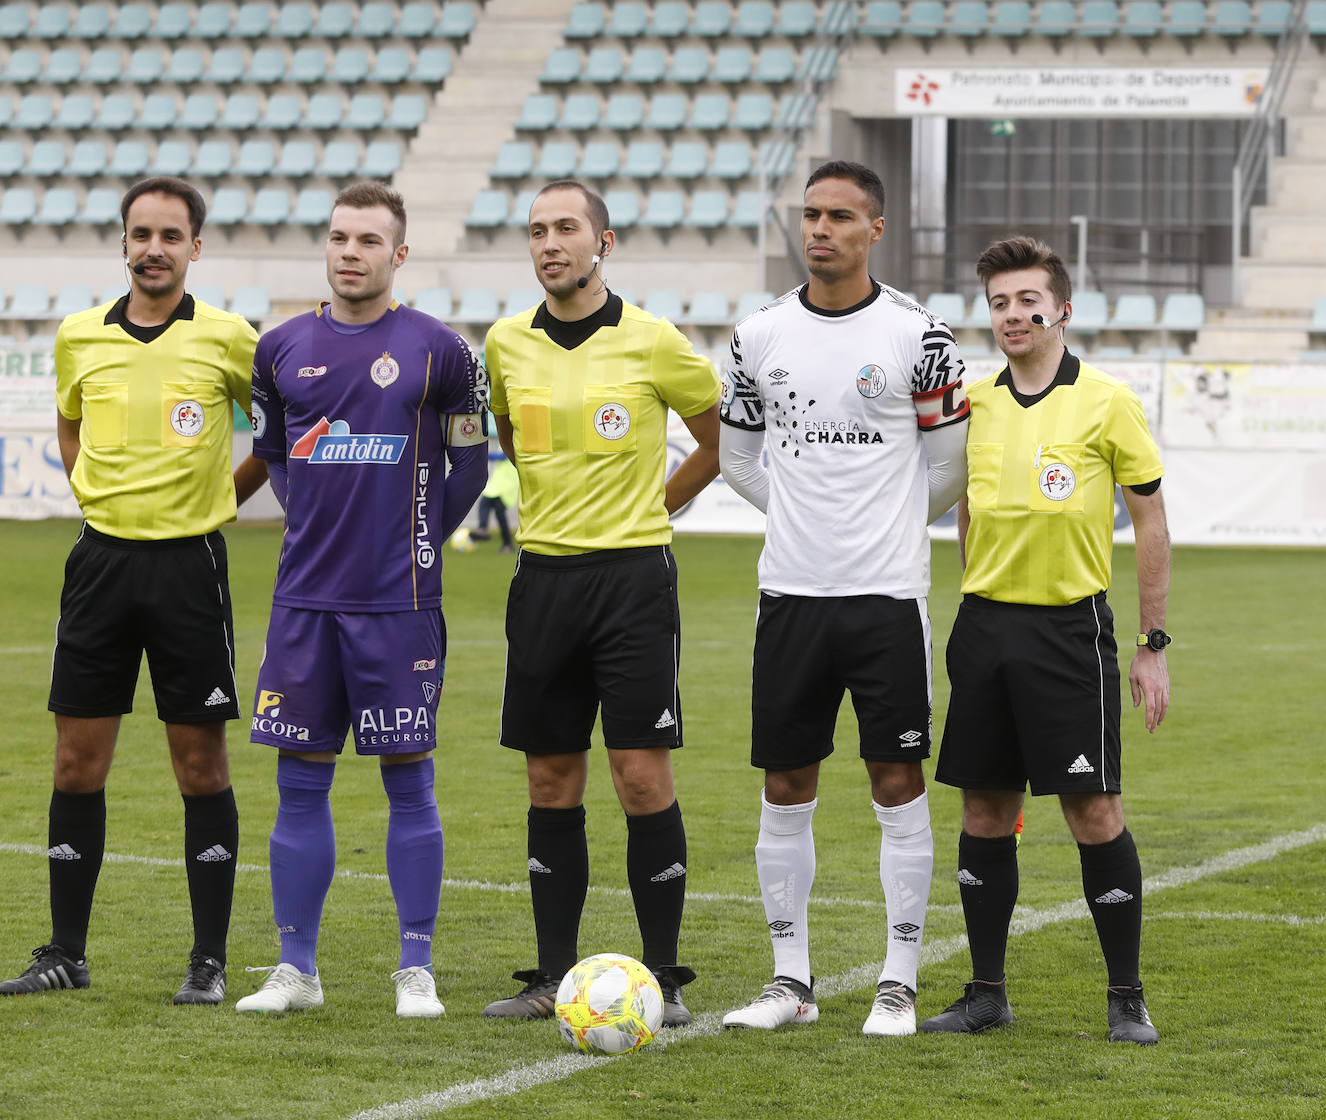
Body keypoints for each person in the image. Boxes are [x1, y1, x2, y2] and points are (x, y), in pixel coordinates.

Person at [0, 177, 263, 1004]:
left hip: (189, 567)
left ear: (194, 247)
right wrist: (92, 487)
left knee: (200, 763)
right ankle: (64, 953)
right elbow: (70, 422)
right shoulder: (80, 336)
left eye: (170, 235)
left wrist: (227, 497)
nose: (154, 248)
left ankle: (208, 960)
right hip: (100, 566)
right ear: (123, 242)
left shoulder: (229, 337)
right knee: (77, 761)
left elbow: (280, 437)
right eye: (141, 233)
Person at [718, 161, 971, 1036]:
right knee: (785, 786)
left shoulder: (921, 336)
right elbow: (739, 457)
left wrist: (888, 526)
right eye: (810, 214)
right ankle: (790, 981)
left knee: (897, 783)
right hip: (789, 594)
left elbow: (948, 467)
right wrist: (800, 517)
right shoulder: (758, 334)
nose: (819, 228)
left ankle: (897, 981)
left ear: (876, 229)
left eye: (839, 216)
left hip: (887, 598)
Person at [232, 183, 488, 1018]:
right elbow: (274, 459)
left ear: (399, 255)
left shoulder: (440, 350)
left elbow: (471, 468)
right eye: (340, 237)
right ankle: (296, 970)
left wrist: (417, 547)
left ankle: (416, 967)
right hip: (305, 603)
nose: (351, 252)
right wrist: (315, 521)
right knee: (299, 784)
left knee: (408, 782)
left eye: (369, 241)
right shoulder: (278, 350)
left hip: (399, 606)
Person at [480, 180, 721, 1027]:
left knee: (641, 776)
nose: (550, 243)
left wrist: (661, 504)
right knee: (550, 780)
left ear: (602, 244)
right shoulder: (505, 343)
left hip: (631, 584)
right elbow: (511, 436)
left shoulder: (653, 339)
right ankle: (551, 975)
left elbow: (716, 439)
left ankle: (666, 979)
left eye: (567, 228)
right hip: (543, 580)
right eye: (538, 230)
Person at [920, 236, 1170, 1045]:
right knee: (986, 809)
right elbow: (963, 508)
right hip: (986, 627)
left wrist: (1151, 642)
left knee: (1093, 811)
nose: (1014, 314)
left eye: (1029, 300)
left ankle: (1125, 996)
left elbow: (1152, 518)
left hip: (1072, 631)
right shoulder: (978, 403)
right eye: (999, 302)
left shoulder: (1107, 400)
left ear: (1062, 308)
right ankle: (987, 991)